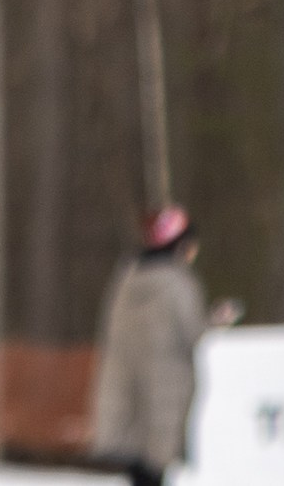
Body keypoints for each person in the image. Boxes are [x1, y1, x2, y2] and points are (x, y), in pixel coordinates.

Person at [91, 207, 213, 486]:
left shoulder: (126, 280)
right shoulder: (179, 285)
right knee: (155, 467)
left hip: (128, 396)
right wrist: (215, 323)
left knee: (138, 469)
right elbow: (194, 332)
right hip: (164, 395)